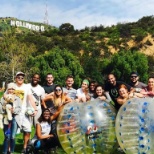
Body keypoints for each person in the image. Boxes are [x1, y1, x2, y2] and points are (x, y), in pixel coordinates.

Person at [13, 71, 38, 154]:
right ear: (15, 78)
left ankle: (24, 148)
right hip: (13, 114)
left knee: (28, 131)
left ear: (24, 79)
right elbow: (6, 97)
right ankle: (9, 150)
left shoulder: (27, 87)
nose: (20, 79)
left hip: (23, 113)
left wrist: (35, 109)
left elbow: (30, 98)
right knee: (11, 135)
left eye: (22, 78)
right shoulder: (12, 86)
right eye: (18, 77)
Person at [0, 83, 21, 154]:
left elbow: (19, 109)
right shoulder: (3, 98)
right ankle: (4, 152)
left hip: (14, 119)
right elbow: (0, 109)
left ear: (15, 90)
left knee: (12, 137)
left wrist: (13, 110)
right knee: (7, 136)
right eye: (9, 89)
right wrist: (5, 108)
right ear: (7, 89)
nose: (11, 90)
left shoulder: (17, 98)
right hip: (6, 119)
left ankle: (11, 151)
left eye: (13, 89)